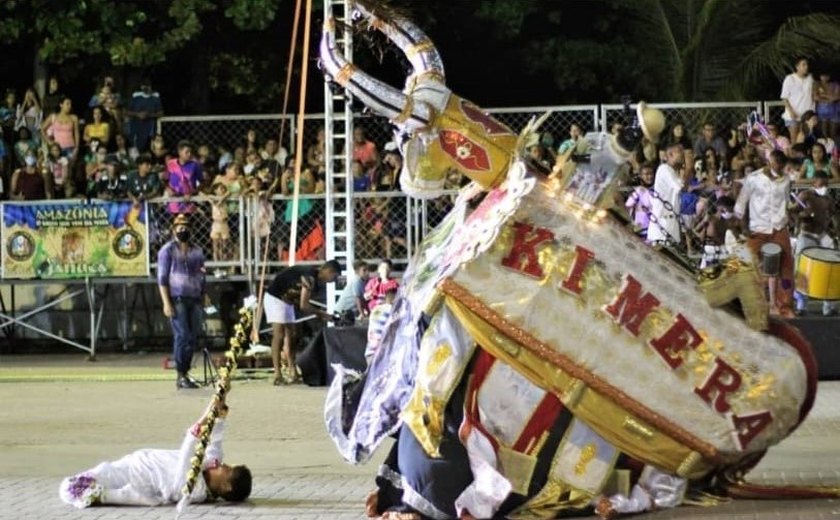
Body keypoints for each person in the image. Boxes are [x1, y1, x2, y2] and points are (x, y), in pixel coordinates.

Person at [58, 396, 252, 508]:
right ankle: (102, 494)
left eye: (227, 470)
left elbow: (186, 456)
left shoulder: (195, 491)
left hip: (134, 476)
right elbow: (215, 438)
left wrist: (198, 426)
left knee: (69, 489)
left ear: (226, 487)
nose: (223, 465)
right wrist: (220, 409)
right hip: (135, 461)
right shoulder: (212, 463)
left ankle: (105, 496)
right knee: (80, 482)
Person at [734, 150, 795, 317]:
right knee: (745, 260)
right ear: (770, 162)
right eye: (777, 164)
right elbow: (741, 204)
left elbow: (787, 202)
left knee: (787, 265)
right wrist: (743, 227)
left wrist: (790, 214)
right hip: (757, 227)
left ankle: (784, 306)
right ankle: (739, 301)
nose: (780, 168)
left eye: (782, 166)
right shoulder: (754, 178)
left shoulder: (786, 180)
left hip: (778, 227)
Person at [263, 260, 341, 385]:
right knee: (279, 335)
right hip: (276, 297)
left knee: (293, 334)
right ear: (329, 271)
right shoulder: (309, 277)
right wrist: (324, 315)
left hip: (288, 301)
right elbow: (304, 306)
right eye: (334, 276)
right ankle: (277, 374)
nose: (333, 281)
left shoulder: (315, 281)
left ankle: (292, 370)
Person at [157, 214, 207, 389]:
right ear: (173, 229)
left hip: (195, 298)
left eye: (186, 226)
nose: (183, 229)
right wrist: (166, 302)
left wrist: (204, 295)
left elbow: (201, 275)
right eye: (179, 226)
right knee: (182, 335)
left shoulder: (197, 251)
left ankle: (185, 372)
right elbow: (162, 279)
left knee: (192, 337)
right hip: (177, 298)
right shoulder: (167, 251)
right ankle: (180, 374)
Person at [790, 170, 838, 316]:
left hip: (823, 235)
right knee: (802, 270)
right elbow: (792, 212)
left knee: (830, 268)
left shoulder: (828, 199)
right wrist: (801, 217)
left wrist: (836, 229)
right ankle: (801, 305)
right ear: (814, 183)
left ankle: (828, 307)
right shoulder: (805, 195)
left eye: (826, 184)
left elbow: (834, 215)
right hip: (807, 234)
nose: (824, 186)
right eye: (821, 183)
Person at [647, 143, 684, 245]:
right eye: (679, 152)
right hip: (663, 224)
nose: (682, 154)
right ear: (671, 154)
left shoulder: (672, 171)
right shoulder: (665, 169)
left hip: (670, 223)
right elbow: (680, 187)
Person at [781, 57, 815, 146]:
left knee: (806, 139)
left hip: (807, 116)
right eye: (803, 64)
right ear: (797, 66)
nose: (806, 67)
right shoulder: (789, 78)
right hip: (793, 115)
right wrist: (791, 111)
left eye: (807, 64)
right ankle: (794, 159)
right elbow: (784, 97)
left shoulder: (811, 78)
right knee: (794, 139)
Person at [165, 140, 204, 215]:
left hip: (189, 204)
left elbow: (202, 183)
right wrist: (168, 189)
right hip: (173, 203)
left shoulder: (195, 165)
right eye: (187, 152)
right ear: (179, 152)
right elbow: (164, 180)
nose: (189, 154)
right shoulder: (170, 164)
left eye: (190, 152)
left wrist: (192, 192)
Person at [126, 78, 163, 152]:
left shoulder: (155, 98)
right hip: (136, 127)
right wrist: (138, 115)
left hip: (150, 127)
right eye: (144, 85)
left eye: (147, 85)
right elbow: (127, 112)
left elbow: (161, 113)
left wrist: (149, 115)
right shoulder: (136, 97)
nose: (145, 87)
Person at [365, 287, 396, 365]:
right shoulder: (392, 311)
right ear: (394, 300)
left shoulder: (376, 309)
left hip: (370, 352)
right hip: (381, 353)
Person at [625, 163, 655, 240]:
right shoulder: (639, 191)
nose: (650, 176)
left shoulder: (656, 190)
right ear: (641, 176)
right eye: (647, 174)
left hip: (653, 231)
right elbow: (628, 206)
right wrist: (633, 221)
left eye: (651, 173)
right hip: (640, 230)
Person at [209, 182, 232, 266]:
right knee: (216, 245)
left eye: (223, 188)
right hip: (216, 224)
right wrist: (211, 200)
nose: (223, 190)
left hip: (224, 223)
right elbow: (202, 194)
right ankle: (216, 263)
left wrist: (222, 199)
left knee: (224, 245)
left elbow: (229, 192)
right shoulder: (213, 198)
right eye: (220, 188)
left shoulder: (225, 198)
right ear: (215, 190)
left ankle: (224, 262)